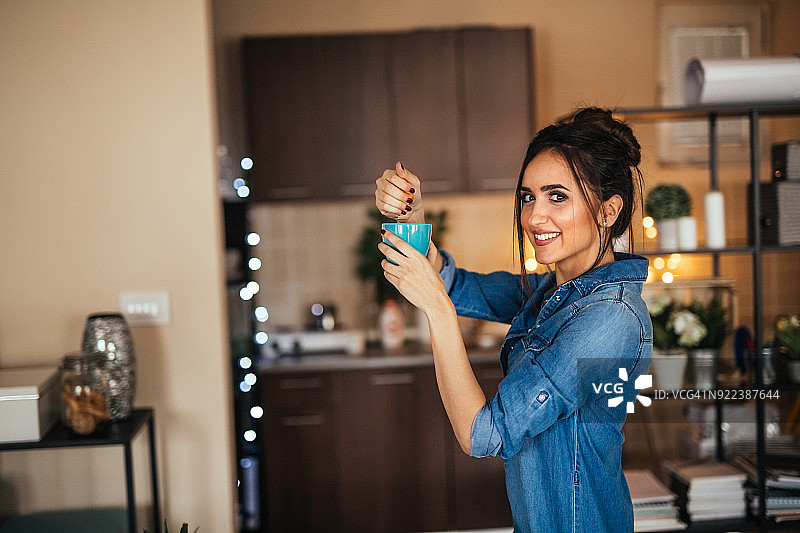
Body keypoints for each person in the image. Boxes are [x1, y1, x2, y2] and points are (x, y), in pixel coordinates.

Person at [375, 107, 653, 533]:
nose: (533, 217)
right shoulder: (551, 291)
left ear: (607, 210)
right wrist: (410, 216)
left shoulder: (610, 318)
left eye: (557, 196)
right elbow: (454, 284)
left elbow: (483, 434)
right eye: (528, 196)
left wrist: (438, 311)